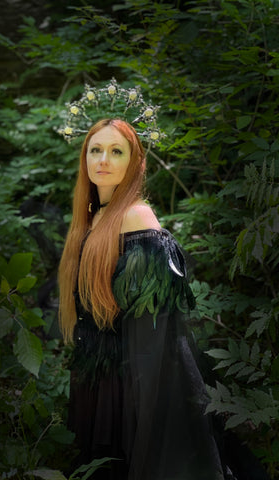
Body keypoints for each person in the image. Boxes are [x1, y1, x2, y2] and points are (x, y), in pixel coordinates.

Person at [58, 118, 233, 480]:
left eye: (116, 151)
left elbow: (152, 331)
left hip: (130, 380)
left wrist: (143, 406)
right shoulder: (92, 216)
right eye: (96, 150)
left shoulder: (136, 217)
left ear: (135, 163)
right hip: (99, 374)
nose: (103, 159)